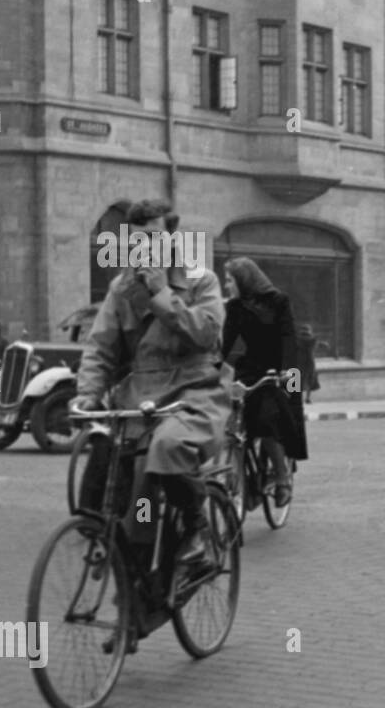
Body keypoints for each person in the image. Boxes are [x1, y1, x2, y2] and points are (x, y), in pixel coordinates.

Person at [72, 199, 232, 566]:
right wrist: (88, 395)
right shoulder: (121, 289)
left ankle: (196, 526)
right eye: (137, 238)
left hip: (195, 390)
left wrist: (162, 296)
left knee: (168, 447)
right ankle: (134, 574)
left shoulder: (200, 279)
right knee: (113, 477)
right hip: (140, 396)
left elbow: (207, 336)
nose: (144, 246)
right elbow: (101, 346)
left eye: (153, 236)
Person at [221, 257, 308, 506]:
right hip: (250, 367)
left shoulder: (279, 301)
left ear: (243, 280)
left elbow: (288, 339)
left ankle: (281, 478)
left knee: (267, 419)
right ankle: (247, 476)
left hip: (280, 368)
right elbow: (226, 344)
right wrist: (212, 369)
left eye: (229, 280)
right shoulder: (235, 307)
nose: (226, 285)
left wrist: (287, 375)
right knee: (234, 418)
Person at [297, 322, 321, 404]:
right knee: (309, 380)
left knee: (298, 380)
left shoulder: (297, 339)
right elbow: (314, 345)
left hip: (299, 362)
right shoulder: (312, 339)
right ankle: (307, 398)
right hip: (309, 362)